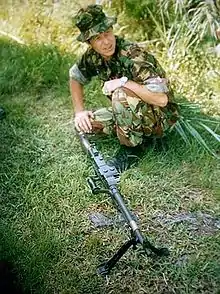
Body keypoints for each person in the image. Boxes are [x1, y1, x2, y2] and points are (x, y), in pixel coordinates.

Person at [69, 5, 178, 171]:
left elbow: (162, 100)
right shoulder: (93, 56)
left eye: (107, 33)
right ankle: (138, 136)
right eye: (98, 38)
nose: (106, 42)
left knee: (120, 94)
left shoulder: (133, 54)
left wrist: (124, 82)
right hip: (129, 112)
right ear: (89, 42)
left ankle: (132, 148)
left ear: (112, 30)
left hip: (159, 116)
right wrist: (79, 111)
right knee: (86, 125)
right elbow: (75, 76)